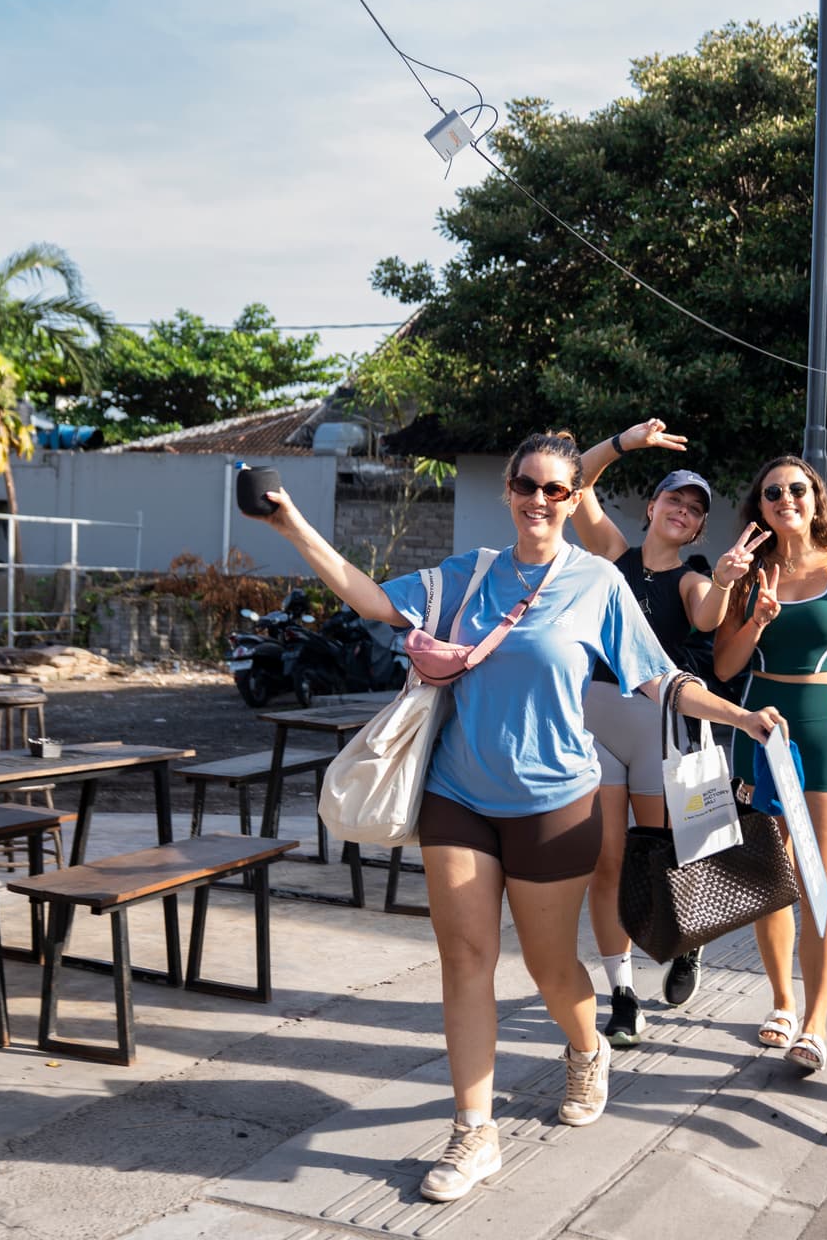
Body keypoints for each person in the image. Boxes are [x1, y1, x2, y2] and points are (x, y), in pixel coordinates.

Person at [253, 431, 785, 1204]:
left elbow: (662, 679)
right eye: (527, 486)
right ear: (509, 491)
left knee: (547, 966)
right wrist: (290, 523)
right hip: (457, 796)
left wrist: (742, 721)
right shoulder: (467, 576)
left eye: (557, 490)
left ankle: (586, 1047)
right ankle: (474, 1130)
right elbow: (371, 600)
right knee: (464, 959)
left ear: (574, 501)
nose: (540, 500)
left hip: (554, 802)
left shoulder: (598, 583)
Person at [566, 418, 770, 1045]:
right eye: (674, 499)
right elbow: (576, 482)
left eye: (695, 508)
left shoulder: (692, 578)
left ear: (700, 528)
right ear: (652, 506)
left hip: (663, 728)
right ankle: (622, 993)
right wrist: (625, 443)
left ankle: (687, 942)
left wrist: (730, 579)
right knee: (607, 863)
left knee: (664, 858)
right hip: (597, 717)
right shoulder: (611, 556)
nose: (683, 511)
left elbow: (707, 614)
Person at [713, 456, 827, 1072]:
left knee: (818, 886)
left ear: (816, 498)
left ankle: (816, 1023)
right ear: (760, 506)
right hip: (761, 730)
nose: (785, 498)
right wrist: (756, 617)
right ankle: (783, 1002)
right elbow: (725, 667)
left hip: (826, 731)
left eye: (797, 489)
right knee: (771, 881)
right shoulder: (750, 572)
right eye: (772, 492)